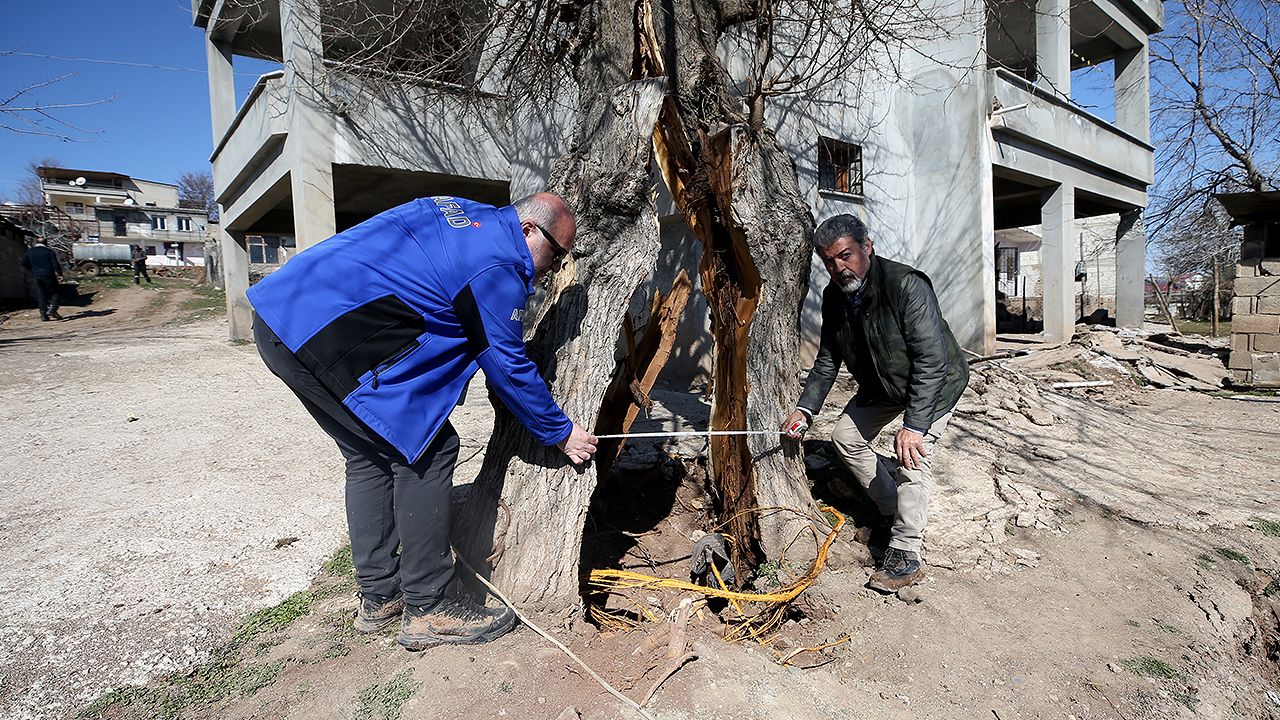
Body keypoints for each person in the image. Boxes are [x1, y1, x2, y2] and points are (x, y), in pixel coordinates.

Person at [248, 192, 599, 651]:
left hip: (283, 316)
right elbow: (505, 363)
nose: (557, 266)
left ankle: (380, 597)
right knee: (430, 449)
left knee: (369, 455)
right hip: (323, 331)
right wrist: (560, 431)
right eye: (557, 253)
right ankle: (429, 605)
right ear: (530, 229)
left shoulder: (458, 209)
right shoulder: (495, 265)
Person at [781, 214, 968, 592]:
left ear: (867, 248)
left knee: (912, 456)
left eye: (846, 255)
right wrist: (804, 410)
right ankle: (891, 509)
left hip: (934, 384)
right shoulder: (834, 297)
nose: (838, 267)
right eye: (829, 261)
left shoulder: (905, 285)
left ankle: (906, 551)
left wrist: (914, 426)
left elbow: (931, 360)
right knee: (845, 436)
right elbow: (827, 362)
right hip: (882, 386)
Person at [19, 240, 64, 321]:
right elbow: (55, 263)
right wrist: (59, 273)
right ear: (46, 243)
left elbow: (23, 263)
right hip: (49, 275)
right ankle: (53, 309)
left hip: (36, 275)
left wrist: (32, 269)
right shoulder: (49, 252)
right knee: (55, 292)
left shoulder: (30, 252)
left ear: (36, 243)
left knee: (41, 294)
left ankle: (43, 314)